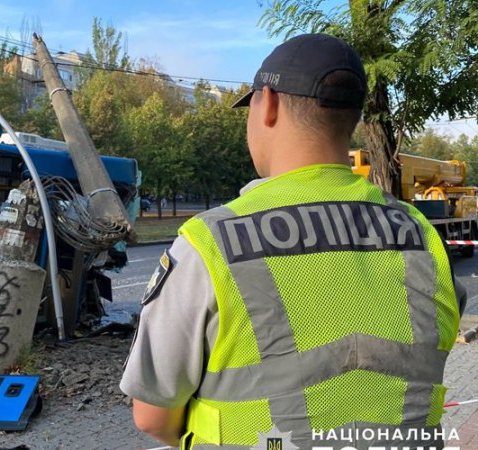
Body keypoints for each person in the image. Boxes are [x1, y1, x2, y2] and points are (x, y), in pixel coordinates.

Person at [120, 33, 465, 450]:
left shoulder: (210, 242)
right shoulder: (422, 236)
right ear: (352, 119)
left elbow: (153, 414)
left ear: (268, 104)